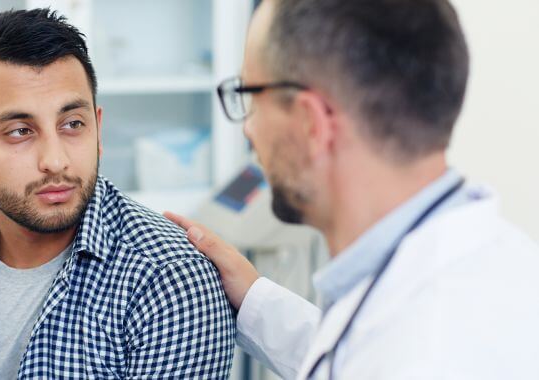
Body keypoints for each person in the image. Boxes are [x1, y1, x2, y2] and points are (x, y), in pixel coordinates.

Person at [165, 0, 539, 378]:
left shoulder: (429, 351)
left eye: (250, 97)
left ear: (312, 123)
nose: (248, 128)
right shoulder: (489, 273)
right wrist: (253, 300)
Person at [0, 9, 235, 379]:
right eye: (20, 131)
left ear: (98, 130)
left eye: (73, 124)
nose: (55, 161)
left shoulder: (170, 279)